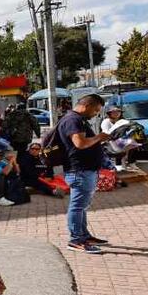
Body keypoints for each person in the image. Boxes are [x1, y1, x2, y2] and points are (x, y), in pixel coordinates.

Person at [57, 93, 110, 254]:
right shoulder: (73, 120)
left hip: (84, 170)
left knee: (82, 207)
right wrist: (99, 137)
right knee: (77, 207)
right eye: (96, 110)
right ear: (87, 106)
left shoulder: (77, 119)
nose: (96, 114)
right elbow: (79, 143)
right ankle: (75, 240)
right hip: (79, 171)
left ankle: (84, 236)